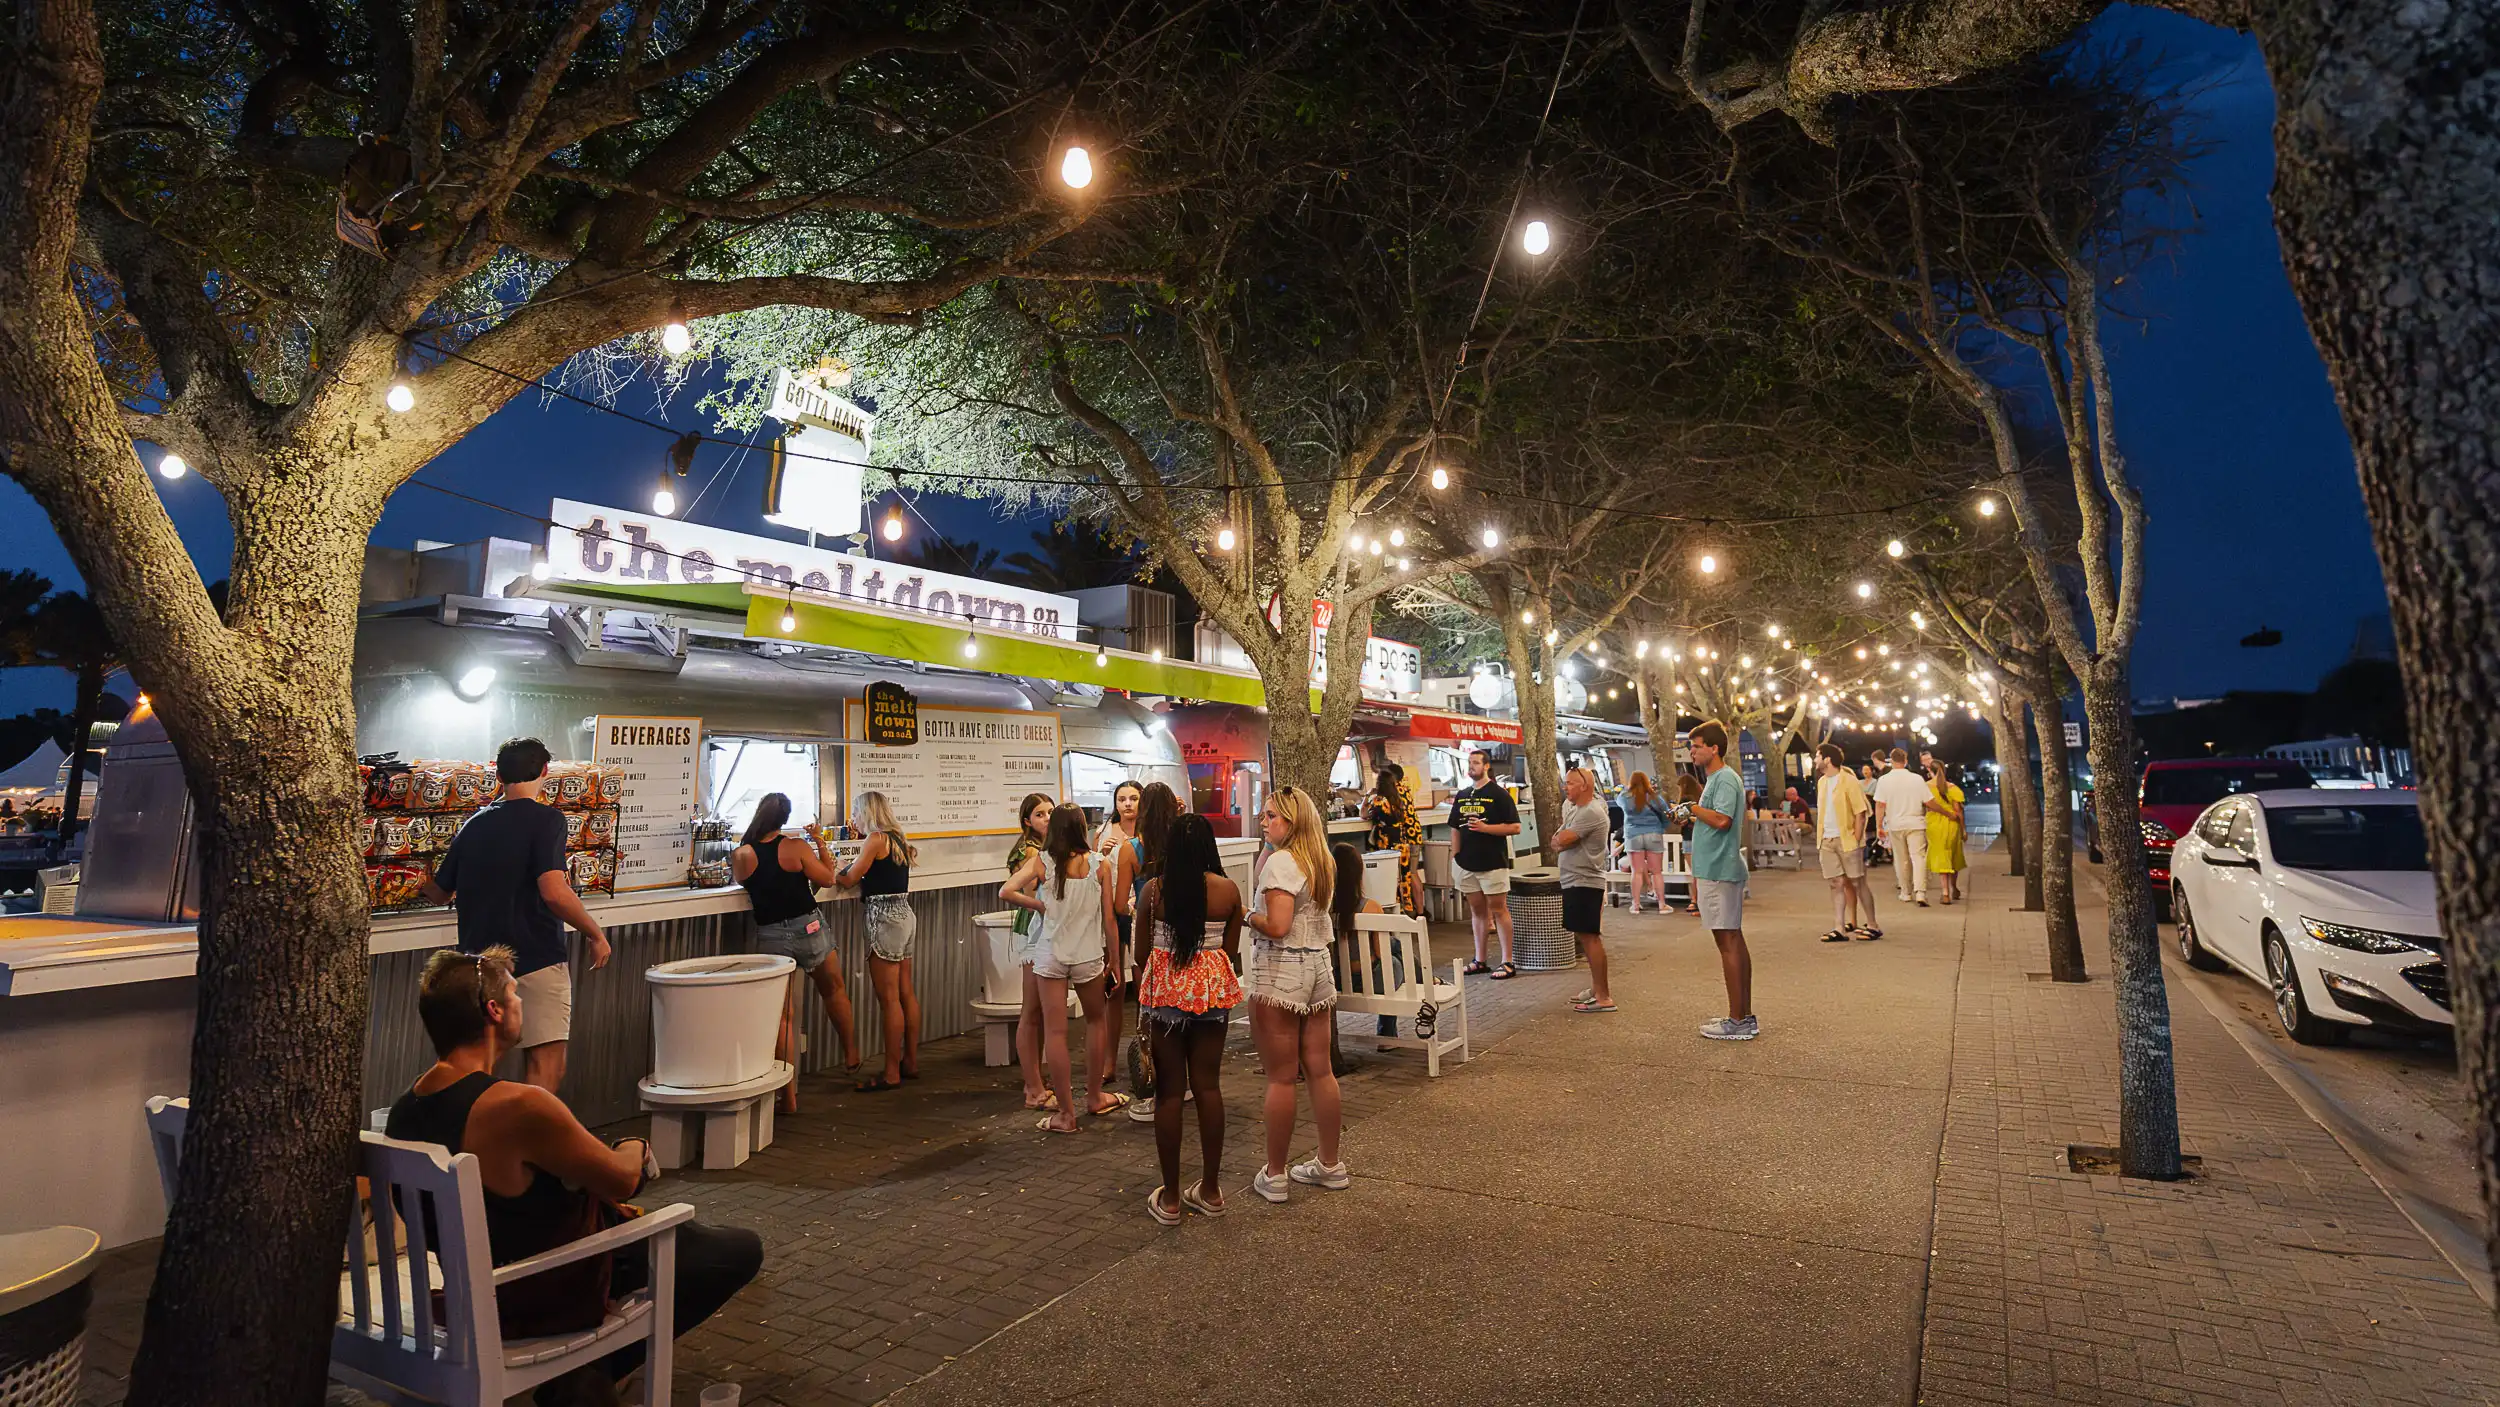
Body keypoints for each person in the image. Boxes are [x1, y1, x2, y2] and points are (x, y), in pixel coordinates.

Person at [388, 946, 761, 1401]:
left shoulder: (404, 1111)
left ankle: (586, 1376)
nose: (521, 1001)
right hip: (542, 1289)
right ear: (494, 1011)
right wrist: (634, 1146)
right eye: (515, 993)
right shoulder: (517, 1106)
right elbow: (622, 1179)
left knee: (687, 1238)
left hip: (471, 1290)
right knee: (734, 1249)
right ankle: (588, 1369)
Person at [420, 737, 610, 1094]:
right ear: (544, 772)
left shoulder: (474, 823)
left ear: (498, 773)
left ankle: (474, 1140)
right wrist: (594, 934)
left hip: (479, 966)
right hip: (535, 957)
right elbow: (554, 891)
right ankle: (530, 1147)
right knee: (545, 1064)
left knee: (476, 1064)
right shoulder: (547, 820)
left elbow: (438, 891)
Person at [1133, 814, 1245, 1224]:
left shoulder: (1153, 891)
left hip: (1165, 998)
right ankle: (1212, 1191)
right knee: (1208, 1087)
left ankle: (1172, 1199)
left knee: (1168, 1093)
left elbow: (1141, 955)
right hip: (1213, 996)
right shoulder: (1229, 891)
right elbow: (1230, 954)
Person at [1246, 785, 1348, 1202]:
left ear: (1292, 821)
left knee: (1281, 1077)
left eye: (1272, 816)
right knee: (1320, 1070)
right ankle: (1329, 1163)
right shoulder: (1318, 859)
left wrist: (1246, 915)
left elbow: (1277, 925)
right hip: (1318, 968)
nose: (1264, 821)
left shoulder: (1282, 863)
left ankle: (1275, 1174)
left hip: (1280, 971)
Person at [731, 793, 861, 1113]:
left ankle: (788, 1096)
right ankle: (851, 1055)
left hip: (771, 935)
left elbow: (744, 884)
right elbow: (828, 879)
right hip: (809, 928)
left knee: (782, 1016)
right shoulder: (794, 846)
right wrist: (819, 843)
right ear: (785, 817)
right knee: (834, 990)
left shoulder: (742, 853)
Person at [1002, 804, 1122, 1129]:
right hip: (1088, 957)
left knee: (1055, 1031)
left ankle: (1066, 1115)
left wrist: (1039, 904)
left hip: (1050, 956)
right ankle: (1095, 1097)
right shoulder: (1100, 864)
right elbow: (1109, 919)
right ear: (1082, 828)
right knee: (1097, 1022)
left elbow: (1007, 890)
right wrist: (1116, 959)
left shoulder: (1044, 862)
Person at [834, 790, 919, 1093]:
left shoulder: (875, 839)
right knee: (906, 993)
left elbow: (849, 878)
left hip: (884, 917)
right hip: (906, 914)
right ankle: (910, 1061)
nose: (854, 819)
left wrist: (835, 870)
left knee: (889, 999)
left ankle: (892, 1073)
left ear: (867, 813)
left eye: (855, 813)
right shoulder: (898, 839)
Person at [1112, 782, 1184, 1121]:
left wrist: (1137, 905)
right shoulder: (1183, 841)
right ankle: (1181, 1083)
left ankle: (1154, 1086)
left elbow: (1118, 903)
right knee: (1180, 1007)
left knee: (1150, 1012)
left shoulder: (1131, 850)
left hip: (1147, 936)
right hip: (1182, 933)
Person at [1687, 721, 1757, 1041]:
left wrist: (1693, 808)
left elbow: (1722, 820)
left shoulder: (1724, 778)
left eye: (1697, 746)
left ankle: (1737, 1020)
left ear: (1714, 748)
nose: (1692, 751)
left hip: (1719, 870)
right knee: (1732, 942)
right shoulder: (1719, 778)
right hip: (1718, 869)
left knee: (1728, 943)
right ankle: (1742, 1016)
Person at [1004, 793, 1056, 1112]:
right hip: (1035, 930)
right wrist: (1042, 905)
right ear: (1027, 821)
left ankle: (1034, 1080)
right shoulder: (1030, 851)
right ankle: (1033, 1087)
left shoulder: (1045, 848)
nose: (1047, 818)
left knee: (1037, 1011)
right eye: (1040, 814)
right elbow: (1020, 892)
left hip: (1042, 929)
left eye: (1051, 812)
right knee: (1032, 1010)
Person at [1451, 749, 1522, 977]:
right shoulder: (1462, 795)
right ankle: (1479, 960)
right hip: (1466, 863)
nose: (1471, 767)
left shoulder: (1499, 795)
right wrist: (1456, 854)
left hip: (1492, 863)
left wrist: (1486, 829)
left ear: (1487, 766)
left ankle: (1507, 961)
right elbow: (1454, 826)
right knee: (1477, 911)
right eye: (1469, 763)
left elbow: (1515, 827)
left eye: (1475, 763)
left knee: (1499, 910)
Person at [1556, 767, 1616, 1013]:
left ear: (1584, 787)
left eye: (1570, 784)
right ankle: (1596, 989)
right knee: (1586, 936)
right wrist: (1560, 838)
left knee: (1591, 938)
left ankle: (1603, 996)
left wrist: (1560, 839)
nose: (1565, 788)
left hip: (1585, 882)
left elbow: (1560, 840)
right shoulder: (1576, 810)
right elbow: (1560, 837)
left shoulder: (1590, 812)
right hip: (1575, 880)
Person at [1813, 744, 1882, 942]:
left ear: (1827, 759)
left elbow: (1860, 812)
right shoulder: (1822, 782)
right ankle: (1839, 928)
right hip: (1826, 839)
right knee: (1836, 884)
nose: (1815, 760)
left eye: (1818, 756)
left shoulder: (1849, 781)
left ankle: (1873, 925)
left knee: (1858, 882)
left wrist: (1856, 837)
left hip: (1847, 839)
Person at [1871, 746, 1937, 907]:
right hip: (1916, 822)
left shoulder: (1884, 780)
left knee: (1901, 860)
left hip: (1895, 824)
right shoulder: (1916, 779)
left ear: (1891, 761)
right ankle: (1920, 892)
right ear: (1905, 760)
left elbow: (1880, 805)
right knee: (1918, 857)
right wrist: (1946, 812)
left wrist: (1879, 826)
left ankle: (1906, 892)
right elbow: (1928, 801)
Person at [1364, 766, 1425, 917]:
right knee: (1408, 876)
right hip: (1408, 838)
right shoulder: (1402, 793)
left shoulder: (1380, 799)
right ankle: (1418, 912)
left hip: (1390, 843)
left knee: (1396, 878)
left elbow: (1364, 815)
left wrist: (1367, 796)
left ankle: (1399, 913)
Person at [1620, 771, 1675, 914]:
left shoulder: (1625, 797)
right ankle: (1662, 905)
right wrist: (1661, 827)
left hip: (1633, 835)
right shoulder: (1655, 798)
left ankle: (1636, 905)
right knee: (1657, 872)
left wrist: (1626, 789)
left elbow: (1619, 801)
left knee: (1637, 872)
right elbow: (1667, 813)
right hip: (1654, 834)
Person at [1926, 762, 1968, 905]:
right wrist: (1963, 829)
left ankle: (1945, 893)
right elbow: (1959, 812)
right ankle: (1954, 887)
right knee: (1953, 857)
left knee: (1941, 857)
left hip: (1934, 825)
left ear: (1929, 770)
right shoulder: (1953, 788)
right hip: (1952, 826)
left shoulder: (1926, 788)